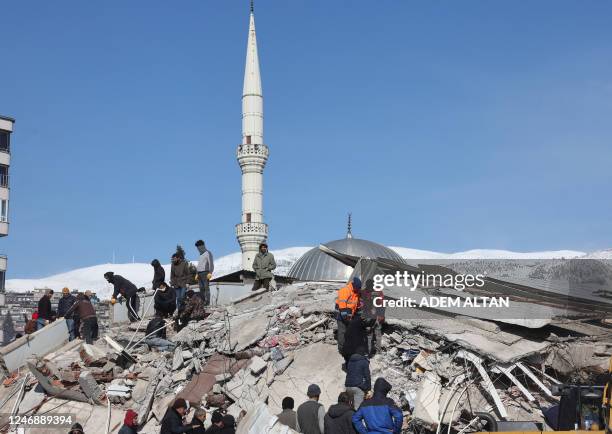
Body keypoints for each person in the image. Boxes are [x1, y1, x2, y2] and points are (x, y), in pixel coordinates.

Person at [335, 278, 361, 356]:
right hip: (341, 315)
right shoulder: (345, 290)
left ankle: (349, 347)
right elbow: (342, 306)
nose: (359, 289)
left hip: (349, 315)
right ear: (354, 285)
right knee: (342, 332)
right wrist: (346, 318)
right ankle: (342, 350)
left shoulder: (356, 292)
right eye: (358, 288)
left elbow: (356, 305)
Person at [195, 240, 214, 306]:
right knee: (201, 289)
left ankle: (207, 302)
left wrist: (210, 272)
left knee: (206, 288)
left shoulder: (208, 253)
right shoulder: (200, 255)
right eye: (197, 248)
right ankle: (202, 302)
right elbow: (199, 264)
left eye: (199, 247)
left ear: (202, 246)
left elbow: (211, 263)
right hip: (199, 274)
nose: (198, 249)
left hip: (205, 273)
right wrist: (197, 273)